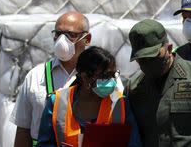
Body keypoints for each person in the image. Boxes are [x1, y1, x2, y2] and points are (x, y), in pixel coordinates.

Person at [124, 18, 191, 147]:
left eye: (152, 57)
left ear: (169, 48)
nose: (148, 64)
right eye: (142, 60)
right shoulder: (135, 87)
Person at [12, 11, 92, 147]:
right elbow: (23, 130)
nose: (62, 40)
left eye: (70, 35)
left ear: (87, 39)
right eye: (58, 34)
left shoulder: (102, 77)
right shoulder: (36, 76)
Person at [36, 46, 141, 147]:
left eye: (113, 75)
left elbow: (133, 143)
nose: (112, 81)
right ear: (85, 77)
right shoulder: (57, 103)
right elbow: (45, 143)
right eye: (105, 76)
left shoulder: (121, 103)